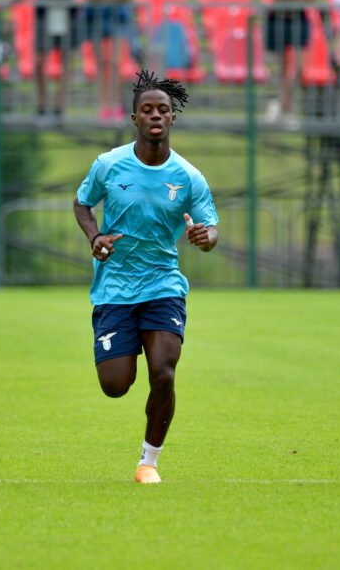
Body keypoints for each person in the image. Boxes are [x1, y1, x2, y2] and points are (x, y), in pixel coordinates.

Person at [73, 70, 219, 484]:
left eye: (163, 110)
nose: (156, 115)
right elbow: (82, 203)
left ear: (172, 119)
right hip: (115, 288)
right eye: (147, 110)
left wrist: (204, 237)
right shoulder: (108, 164)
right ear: (134, 118)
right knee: (116, 385)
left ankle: (148, 462)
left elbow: (211, 229)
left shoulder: (189, 177)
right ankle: (121, 351)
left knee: (164, 371)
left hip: (162, 285)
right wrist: (95, 236)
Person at [85, 0, 139, 123]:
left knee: (116, 64)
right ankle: (103, 106)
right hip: (98, 17)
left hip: (119, 18)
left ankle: (115, 106)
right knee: (102, 65)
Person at [265, 0, 317, 127]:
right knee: (281, 67)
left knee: (298, 67)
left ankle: (287, 106)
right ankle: (282, 106)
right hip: (277, 20)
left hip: (299, 19)